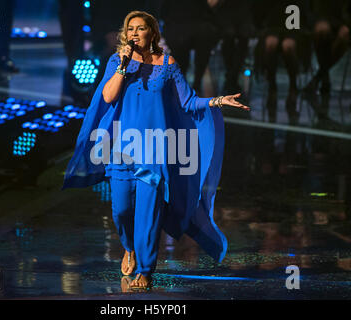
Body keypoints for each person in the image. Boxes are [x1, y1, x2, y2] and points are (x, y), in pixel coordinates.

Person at [61, 11, 249, 289]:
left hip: (155, 150)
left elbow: (187, 102)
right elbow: (108, 96)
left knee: (148, 214)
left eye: (141, 28)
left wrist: (219, 100)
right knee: (121, 211)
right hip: (122, 149)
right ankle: (130, 248)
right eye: (130, 29)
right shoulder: (116, 61)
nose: (135, 33)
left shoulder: (167, 64)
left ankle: (146, 270)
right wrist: (123, 66)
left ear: (153, 33)